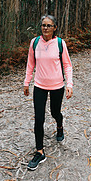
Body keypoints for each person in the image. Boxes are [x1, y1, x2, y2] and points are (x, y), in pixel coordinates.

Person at [23, 14, 73, 170]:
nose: (45, 28)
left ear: (55, 27)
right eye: (43, 25)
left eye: (49, 25)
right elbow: (30, 63)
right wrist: (26, 82)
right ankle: (40, 151)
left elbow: (68, 65)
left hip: (57, 85)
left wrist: (69, 84)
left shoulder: (60, 43)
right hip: (39, 85)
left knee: (54, 112)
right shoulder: (34, 43)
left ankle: (59, 125)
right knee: (39, 118)